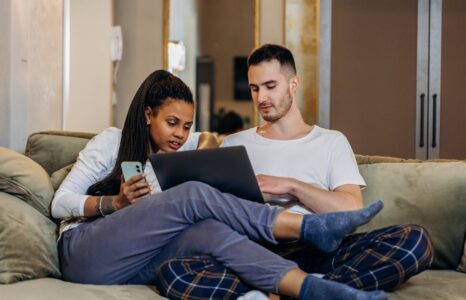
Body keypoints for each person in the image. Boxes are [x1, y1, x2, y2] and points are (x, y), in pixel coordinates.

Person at [51, 69, 388, 300]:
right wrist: (113, 204)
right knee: (193, 195)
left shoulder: (180, 145)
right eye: (172, 123)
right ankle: (308, 227)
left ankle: (314, 290)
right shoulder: (111, 142)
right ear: (147, 114)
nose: (180, 135)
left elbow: (209, 137)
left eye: (186, 126)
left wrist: (204, 144)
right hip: (84, 254)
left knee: (211, 232)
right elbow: (59, 201)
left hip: (134, 262)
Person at [158, 45, 434, 298]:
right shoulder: (233, 144)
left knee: (415, 241)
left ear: (293, 84)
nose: (261, 97)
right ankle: (310, 288)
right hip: (252, 251)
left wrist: (292, 186)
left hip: (317, 251)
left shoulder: (331, 141)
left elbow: (350, 209)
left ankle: (289, 289)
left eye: (270, 86)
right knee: (173, 272)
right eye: (255, 88)